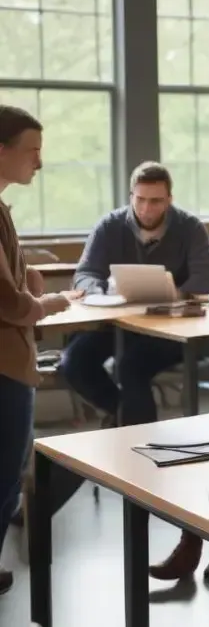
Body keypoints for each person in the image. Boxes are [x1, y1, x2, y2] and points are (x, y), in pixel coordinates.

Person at [62, 162, 209, 426]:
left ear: (170, 199)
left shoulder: (190, 227)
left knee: (130, 366)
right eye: (140, 200)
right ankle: (124, 415)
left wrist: (176, 293)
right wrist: (100, 294)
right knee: (74, 362)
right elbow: (85, 273)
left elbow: (203, 280)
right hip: (117, 323)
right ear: (131, 196)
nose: (146, 209)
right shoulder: (109, 226)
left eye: (156, 201)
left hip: (171, 327)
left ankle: (139, 433)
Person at [0, 106, 73, 597]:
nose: (39, 164)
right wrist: (51, 301)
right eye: (32, 151)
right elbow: (11, 305)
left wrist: (26, 282)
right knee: (6, 478)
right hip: (4, 365)